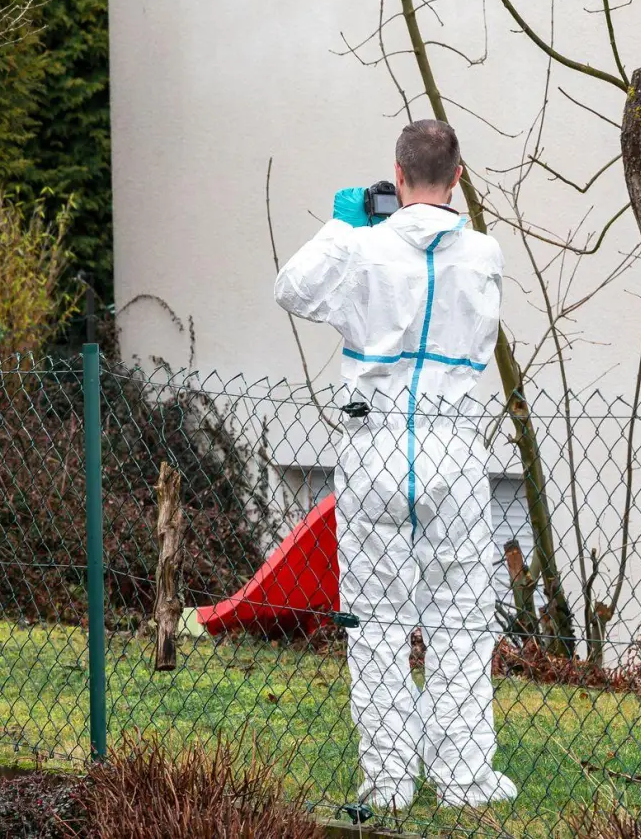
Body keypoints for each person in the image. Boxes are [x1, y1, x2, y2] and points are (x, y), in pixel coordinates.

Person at [273, 120, 515, 811]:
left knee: (374, 620)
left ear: (397, 176)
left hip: (374, 442)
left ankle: (388, 779)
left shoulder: (363, 248)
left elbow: (292, 289)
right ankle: (465, 775)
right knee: (462, 614)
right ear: (459, 177)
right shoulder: (484, 254)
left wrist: (340, 227)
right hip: (452, 445)